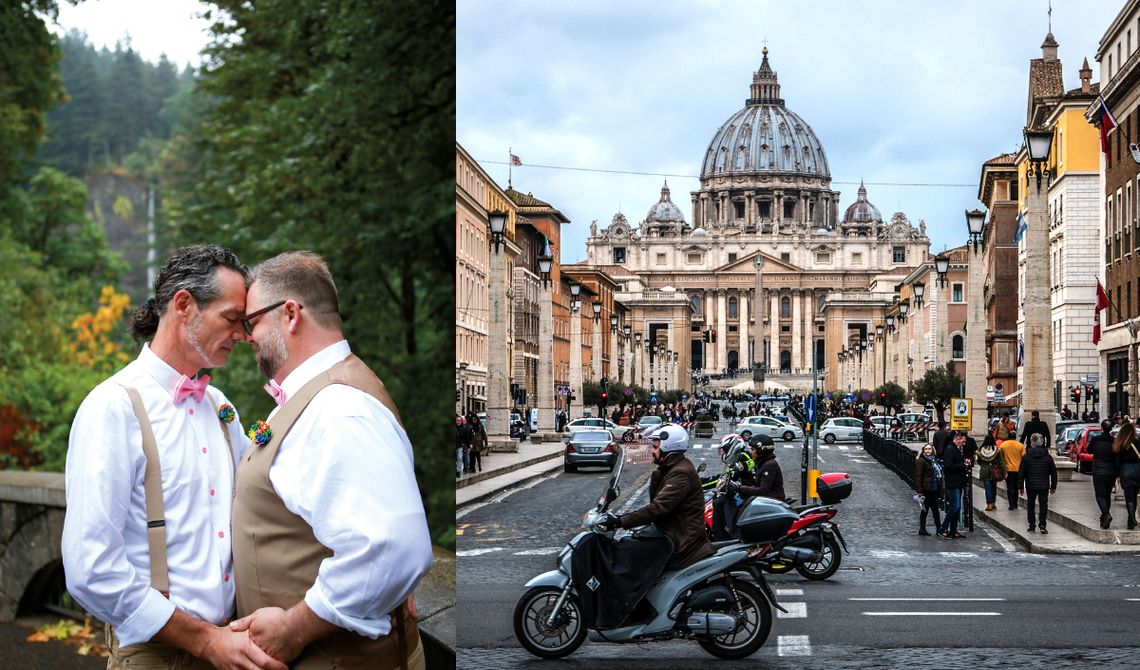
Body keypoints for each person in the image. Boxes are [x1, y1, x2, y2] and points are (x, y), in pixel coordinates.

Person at [61, 245, 286, 670]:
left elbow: (263, 504)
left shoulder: (220, 407)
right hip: (156, 655)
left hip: (233, 644)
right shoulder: (113, 407)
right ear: (184, 306)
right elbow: (91, 570)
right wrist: (205, 642)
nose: (244, 334)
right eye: (232, 319)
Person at [233, 251, 432, 668]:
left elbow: (393, 547)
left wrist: (294, 628)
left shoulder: (338, 409)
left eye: (251, 322)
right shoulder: (322, 396)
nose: (245, 336)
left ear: (290, 314)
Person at [603, 428, 714, 571]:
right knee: (630, 544)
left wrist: (620, 521)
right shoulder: (672, 468)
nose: (652, 451)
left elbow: (657, 508)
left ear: (668, 448)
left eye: (655, 447)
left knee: (628, 554)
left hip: (680, 541)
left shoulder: (680, 473)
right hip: (671, 532)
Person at [1018, 433, 1057, 533]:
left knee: (1031, 505)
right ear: (1042, 442)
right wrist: (1053, 486)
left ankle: (1032, 525)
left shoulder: (1026, 457)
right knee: (1043, 505)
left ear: (1032, 442)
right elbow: (1053, 472)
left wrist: (1020, 486)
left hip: (1030, 484)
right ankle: (1042, 524)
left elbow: (1021, 472)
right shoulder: (1048, 457)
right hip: (1044, 485)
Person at [731, 434, 786, 502]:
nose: (751, 452)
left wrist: (740, 489)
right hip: (767, 500)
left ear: (761, 451)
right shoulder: (762, 463)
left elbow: (763, 490)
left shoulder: (769, 465)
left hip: (773, 501)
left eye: (753, 449)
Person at [1087, 420, 1120, 529]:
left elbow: (1089, 450)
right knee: (1107, 495)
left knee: (1099, 495)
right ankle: (1104, 518)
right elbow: (1117, 458)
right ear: (1111, 429)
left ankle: (1106, 514)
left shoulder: (1096, 440)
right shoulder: (1114, 441)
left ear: (1101, 428)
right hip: (1111, 471)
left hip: (1098, 470)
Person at [937, 432, 968, 539]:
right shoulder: (950, 449)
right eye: (963, 441)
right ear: (957, 439)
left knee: (956, 507)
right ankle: (942, 528)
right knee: (956, 506)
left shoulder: (955, 448)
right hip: (953, 481)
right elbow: (949, 465)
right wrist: (963, 465)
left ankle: (953, 530)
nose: (964, 444)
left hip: (958, 481)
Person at [1114, 421, 1140, 529]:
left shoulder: (1121, 444)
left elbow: (1117, 462)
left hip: (1126, 471)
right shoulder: (1138, 442)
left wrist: (1117, 475)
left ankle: (1131, 518)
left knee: (1129, 497)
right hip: (1138, 470)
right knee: (1136, 495)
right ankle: (1132, 519)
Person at [914, 443, 943, 536]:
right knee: (925, 510)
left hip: (934, 488)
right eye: (926, 449)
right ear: (923, 450)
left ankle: (939, 528)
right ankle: (922, 529)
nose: (928, 451)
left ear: (932, 450)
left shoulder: (934, 460)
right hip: (926, 489)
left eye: (929, 449)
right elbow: (918, 476)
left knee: (935, 510)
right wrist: (919, 491)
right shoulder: (921, 461)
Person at [975, 434, 1006, 511]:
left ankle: (989, 504)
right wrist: (1004, 471)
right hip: (994, 471)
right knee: (993, 487)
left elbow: (979, 461)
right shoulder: (996, 450)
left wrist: (983, 465)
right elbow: (1001, 462)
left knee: (987, 488)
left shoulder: (981, 450)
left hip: (984, 471)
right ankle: (993, 503)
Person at [998, 434, 1026, 510]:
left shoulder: (1003, 445)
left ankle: (1011, 505)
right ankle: (1015, 503)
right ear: (1015, 437)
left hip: (1008, 470)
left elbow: (1000, 456)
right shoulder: (1021, 446)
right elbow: (1024, 457)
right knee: (1016, 488)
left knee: (1009, 488)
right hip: (1018, 470)